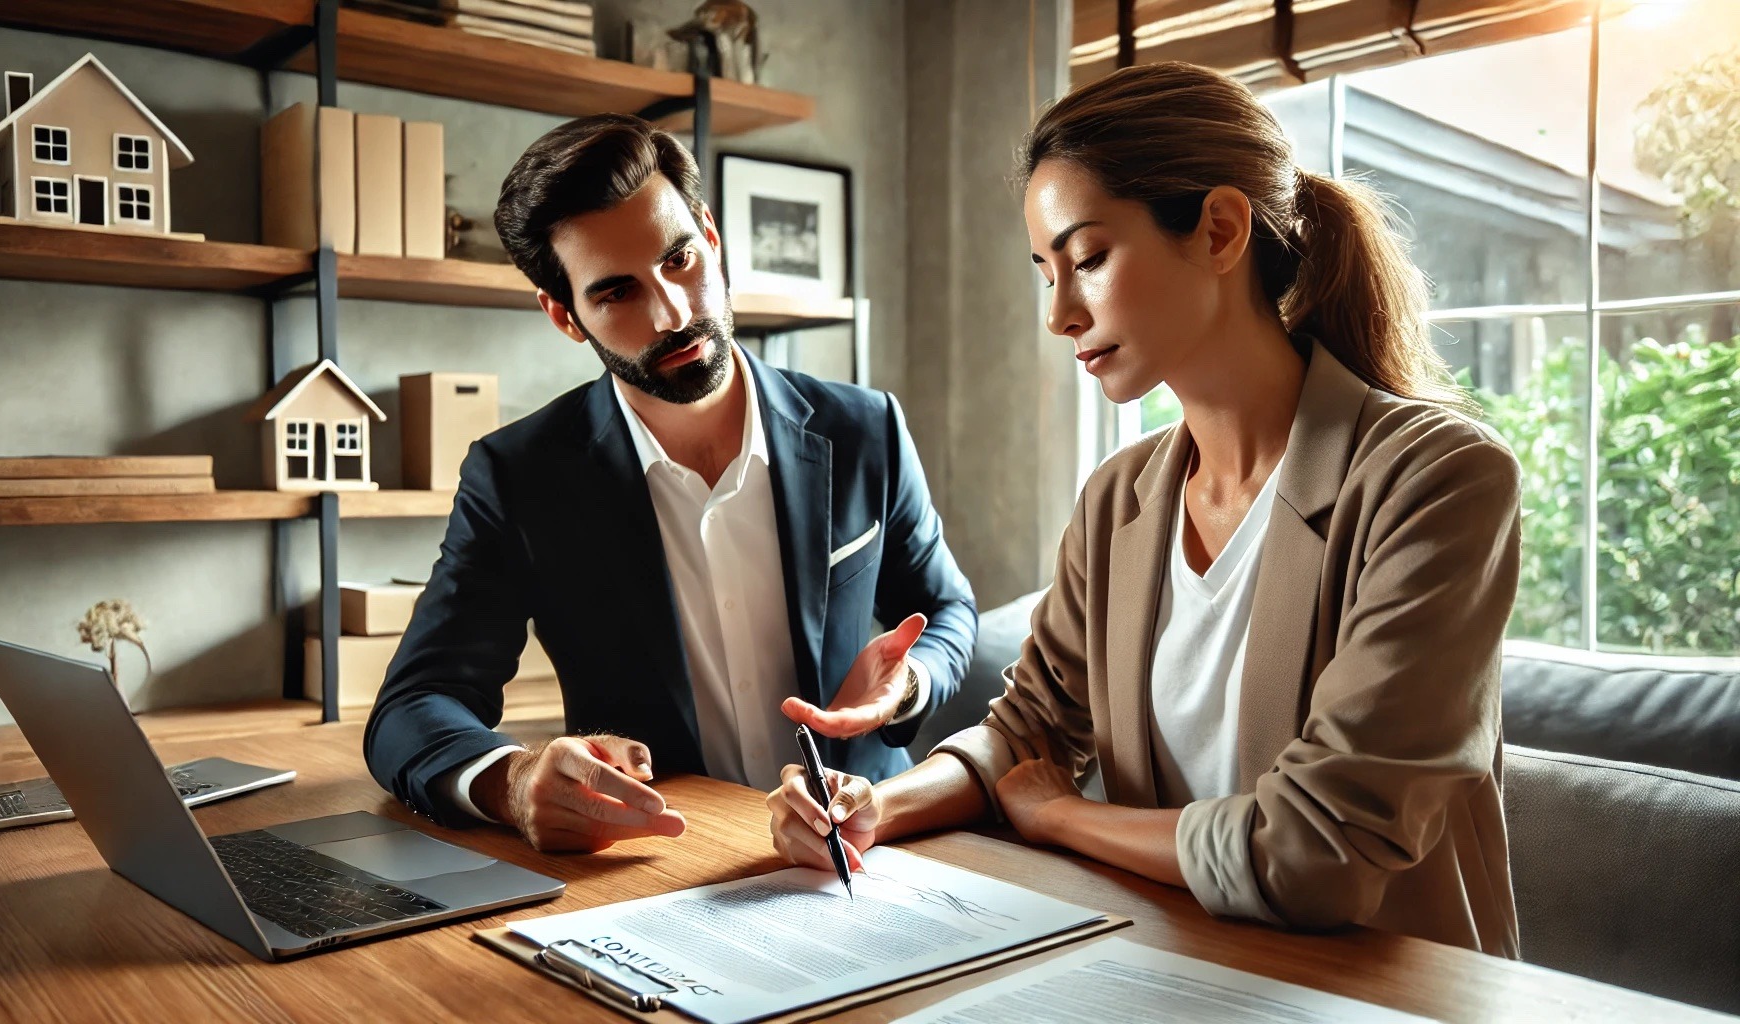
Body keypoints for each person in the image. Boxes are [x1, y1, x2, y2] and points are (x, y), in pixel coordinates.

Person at [765, 62, 1522, 958]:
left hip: (1375, 994)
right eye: (1047, 272)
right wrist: (868, 808)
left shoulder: (1436, 479)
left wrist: (1062, 820)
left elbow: (1317, 851)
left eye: (1088, 259)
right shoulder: (1121, 498)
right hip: (1166, 971)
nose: (1059, 315)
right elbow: (1030, 728)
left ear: (1220, 229)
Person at [365, 114, 977, 854]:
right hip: (667, 865)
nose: (675, 313)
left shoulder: (865, 427)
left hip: (870, 839)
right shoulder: (521, 476)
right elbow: (411, 706)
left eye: (680, 259)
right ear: (565, 315)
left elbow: (943, 607)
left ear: (711, 237)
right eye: (617, 293)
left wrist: (905, 683)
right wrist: (514, 780)